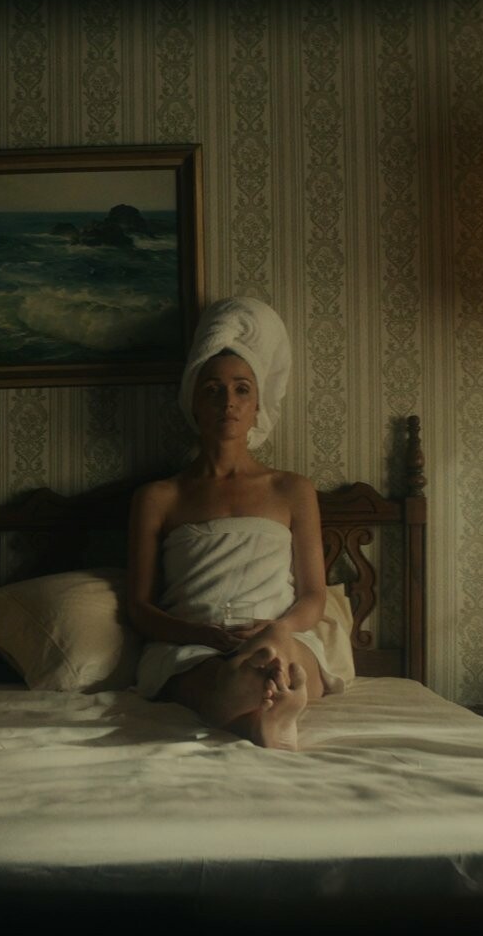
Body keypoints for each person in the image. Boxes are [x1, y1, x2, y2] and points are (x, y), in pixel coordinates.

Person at [124, 297, 349, 750]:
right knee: (213, 680)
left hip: (283, 635)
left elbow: (313, 595)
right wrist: (199, 633)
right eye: (213, 390)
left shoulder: (292, 489)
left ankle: (263, 691)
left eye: (241, 389)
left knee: (277, 658)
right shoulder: (159, 497)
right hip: (193, 647)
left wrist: (277, 629)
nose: (228, 402)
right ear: (193, 401)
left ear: (257, 403)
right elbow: (140, 607)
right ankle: (264, 713)